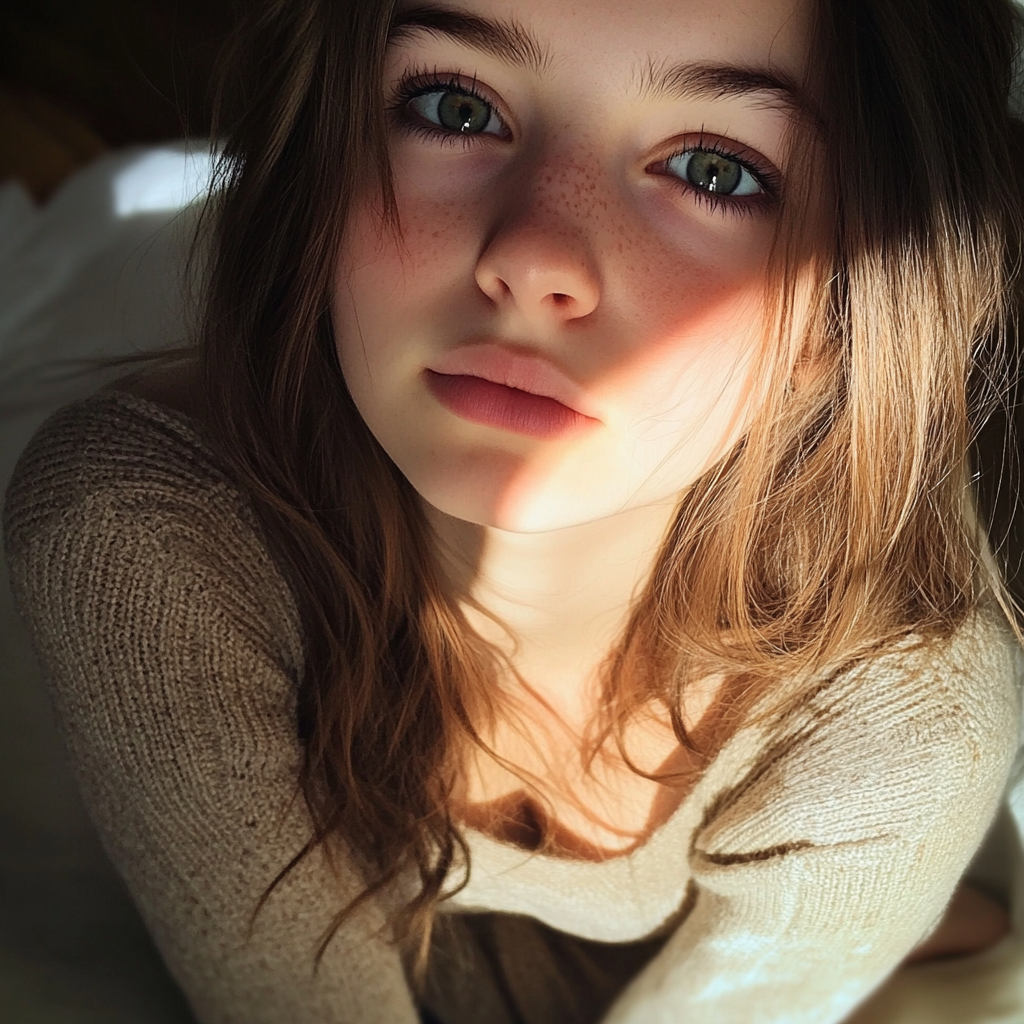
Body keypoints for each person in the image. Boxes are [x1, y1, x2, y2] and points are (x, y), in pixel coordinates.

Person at [4, 0, 1024, 1021]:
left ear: (837, 317)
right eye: (453, 106)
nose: (535, 258)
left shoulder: (902, 722)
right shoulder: (134, 531)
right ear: (320, 173)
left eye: (716, 170)